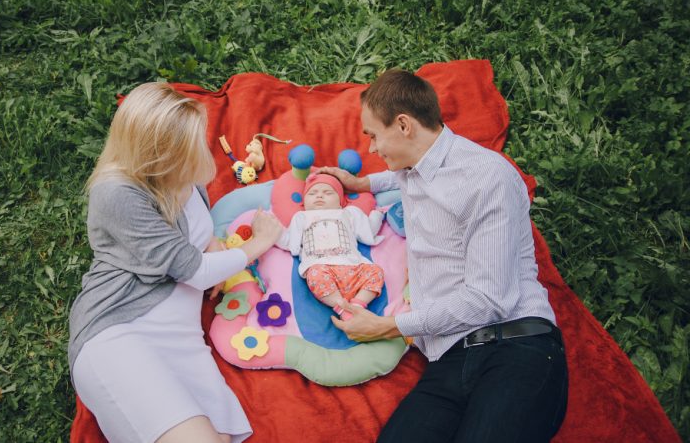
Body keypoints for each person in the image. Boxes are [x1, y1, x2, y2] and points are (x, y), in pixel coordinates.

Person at [319, 69, 568, 443]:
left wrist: (386, 326)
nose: (370, 149)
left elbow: (489, 300)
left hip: (515, 346)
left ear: (403, 125)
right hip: (449, 360)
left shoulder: (486, 179)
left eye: (372, 135)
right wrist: (361, 183)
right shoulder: (411, 166)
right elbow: (399, 176)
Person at [67, 82, 283, 443]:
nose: (198, 151)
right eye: (185, 146)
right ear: (155, 154)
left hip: (182, 339)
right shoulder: (117, 193)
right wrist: (259, 243)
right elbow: (195, 271)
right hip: (122, 327)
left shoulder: (183, 173)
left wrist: (214, 245)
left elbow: (198, 238)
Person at [275, 173, 385, 320]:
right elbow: (290, 242)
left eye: (327, 192)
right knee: (315, 275)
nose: (319, 196)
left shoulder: (348, 213)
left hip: (354, 266)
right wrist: (273, 233)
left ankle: (358, 305)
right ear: (304, 203)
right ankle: (341, 308)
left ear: (340, 202)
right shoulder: (301, 217)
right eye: (312, 193)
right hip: (322, 267)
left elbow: (367, 232)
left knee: (376, 271)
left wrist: (376, 216)